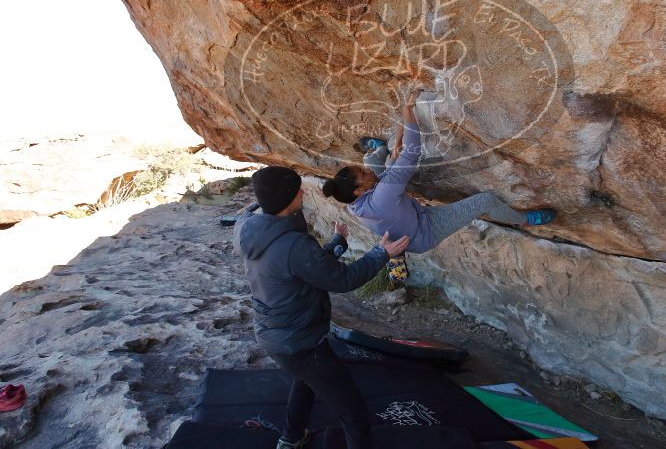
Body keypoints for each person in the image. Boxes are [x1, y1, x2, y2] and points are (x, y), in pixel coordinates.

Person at [233, 166, 409, 449]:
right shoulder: (293, 244)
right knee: (351, 410)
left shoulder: (251, 228)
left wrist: (337, 244)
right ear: (288, 198)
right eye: (297, 189)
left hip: (274, 334)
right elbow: (343, 279)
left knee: (306, 381)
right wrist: (381, 253)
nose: (302, 192)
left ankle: (291, 437)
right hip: (300, 343)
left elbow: (301, 267)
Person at [322, 89, 556, 282]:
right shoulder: (381, 195)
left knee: (375, 159)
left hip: (402, 211)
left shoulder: (353, 204)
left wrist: (398, 139)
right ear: (359, 191)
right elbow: (411, 153)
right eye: (362, 175)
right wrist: (408, 112)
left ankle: (379, 147)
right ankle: (525, 220)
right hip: (427, 230)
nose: (367, 172)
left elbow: (385, 178)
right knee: (485, 200)